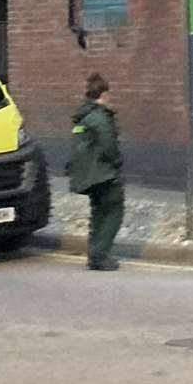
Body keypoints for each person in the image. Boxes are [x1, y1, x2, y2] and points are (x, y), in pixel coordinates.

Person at [67, 73, 123, 271]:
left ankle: (94, 254)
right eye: (109, 94)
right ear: (104, 94)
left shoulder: (83, 117)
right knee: (113, 212)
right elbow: (109, 146)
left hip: (87, 174)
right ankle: (100, 256)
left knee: (98, 213)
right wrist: (117, 163)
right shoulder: (100, 118)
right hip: (104, 173)